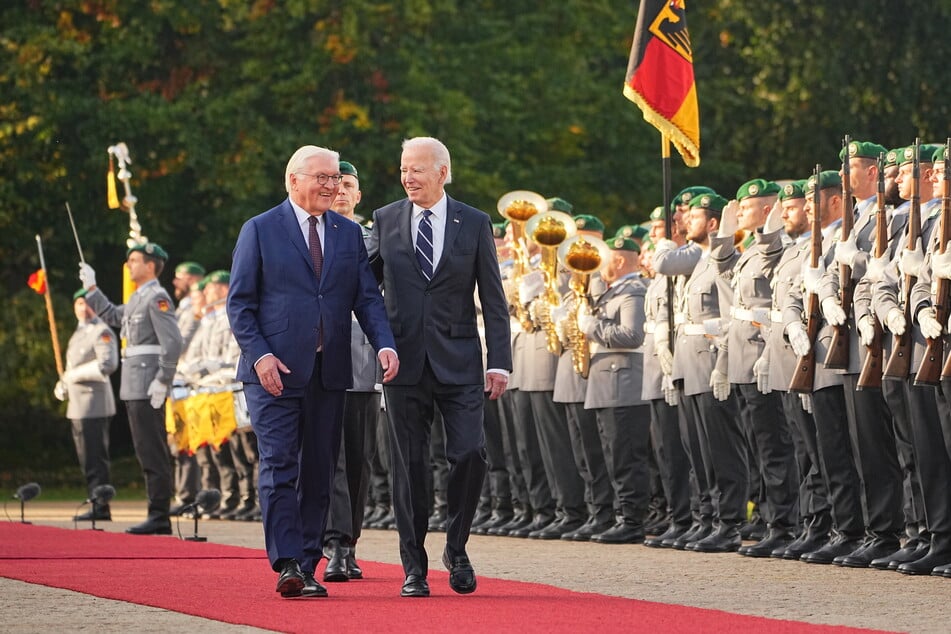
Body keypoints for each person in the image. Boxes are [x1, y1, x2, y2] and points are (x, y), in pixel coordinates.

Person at [227, 145, 398, 600]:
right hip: (273, 372)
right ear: (293, 180)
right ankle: (286, 563)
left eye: (335, 179)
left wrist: (384, 342)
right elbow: (240, 304)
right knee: (281, 464)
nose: (330, 185)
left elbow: (367, 297)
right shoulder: (260, 229)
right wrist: (261, 356)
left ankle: (307, 563)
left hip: (329, 371)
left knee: (320, 470)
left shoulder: (345, 233)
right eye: (320, 177)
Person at [367, 136, 512, 598]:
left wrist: (501, 363)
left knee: (470, 454)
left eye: (417, 169)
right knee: (409, 466)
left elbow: (493, 298)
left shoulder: (474, 222)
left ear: (442, 172)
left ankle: (457, 546)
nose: (408, 177)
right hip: (402, 365)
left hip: (461, 362)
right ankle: (414, 566)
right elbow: (364, 288)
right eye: (404, 168)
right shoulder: (385, 219)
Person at [79, 242, 184, 535]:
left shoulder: (157, 297)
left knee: (153, 450)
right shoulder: (139, 297)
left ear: (150, 265)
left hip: (148, 382)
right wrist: (91, 289)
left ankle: (159, 514)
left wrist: (163, 379)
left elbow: (173, 342)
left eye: (135, 260)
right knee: (144, 449)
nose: (129, 266)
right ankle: (156, 512)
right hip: (135, 384)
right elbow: (113, 316)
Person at [322, 160, 383, 581]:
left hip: (361, 361)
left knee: (359, 460)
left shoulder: (373, 240)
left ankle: (350, 539)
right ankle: (336, 543)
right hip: (322, 358)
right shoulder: (309, 234)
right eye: (335, 182)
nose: (341, 190)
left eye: (349, 185)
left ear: (359, 196)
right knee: (330, 457)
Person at [54, 288, 119, 521]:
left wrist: (74, 375)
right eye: (80, 303)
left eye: (88, 303)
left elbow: (107, 364)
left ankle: (101, 506)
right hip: (79, 405)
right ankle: (95, 500)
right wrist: (64, 382)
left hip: (94, 404)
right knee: (86, 459)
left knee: (95, 459)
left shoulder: (101, 331)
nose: (84, 308)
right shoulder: (79, 333)